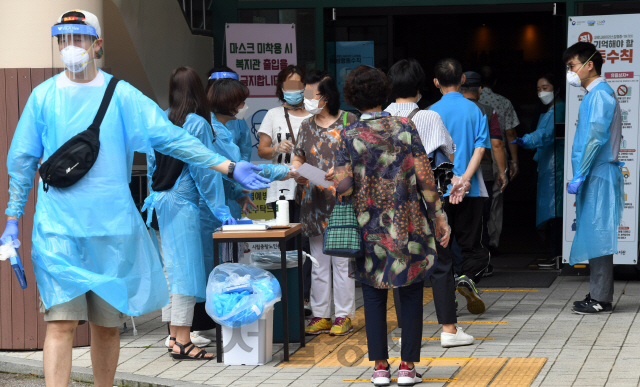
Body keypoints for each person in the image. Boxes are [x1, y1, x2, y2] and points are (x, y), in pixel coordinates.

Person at [0, 10, 268, 386]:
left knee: (107, 328)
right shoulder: (43, 97)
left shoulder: (122, 96)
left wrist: (225, 166)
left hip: (113, 233)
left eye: (79, 38)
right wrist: (12, 218)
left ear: (97, 44)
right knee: (60, 326)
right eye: (64, 39)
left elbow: (172, 138)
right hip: (60, 232)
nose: (71, 47)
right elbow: (22, 160)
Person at [335, 65, 452, 387]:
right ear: (384, 92)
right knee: (411, 292)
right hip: (407, 224)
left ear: (353, 98)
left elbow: (343, 186)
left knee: (373, 296)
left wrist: (337, 177)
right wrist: (438, 215)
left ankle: (380, 368)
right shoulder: (404, 127)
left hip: (367, 225)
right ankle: (407, 368)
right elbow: (425, 176)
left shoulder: (348, 134)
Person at [187, 78, 291, 339]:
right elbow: (230, 170)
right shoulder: (212, 129)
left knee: (213, 264)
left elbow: (230, 173)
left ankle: (207, 322)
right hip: (204, 209)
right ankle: (196, 326)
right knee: (202, 266)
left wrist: (237, 193)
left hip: (215, 206)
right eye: (241, 101)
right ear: (230, 103)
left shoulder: (220, 127)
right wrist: (287, 171)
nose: (244, 106)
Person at [144, 67, 236, 360]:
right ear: (199, 90)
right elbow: (204, 171)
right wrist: (223, 212)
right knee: (184, 272)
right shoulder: (197, 123)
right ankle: (184, 342)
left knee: (171, 272)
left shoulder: (159, 116)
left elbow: (150, 166)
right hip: (183, 204)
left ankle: (173, 336)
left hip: (158, 201)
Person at [386, 59, 473, 348]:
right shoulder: (429, 117)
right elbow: (446, 159)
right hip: (426, 200)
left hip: (392, 205)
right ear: (421, 86)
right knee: (440, 262)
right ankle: (448, 329)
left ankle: (406, 333)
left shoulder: (379, 119)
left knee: (402, 263)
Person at [290, 70, 357, 336]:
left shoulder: (350, 121)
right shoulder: (305, 126)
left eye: (311, 94)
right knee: (318, 261)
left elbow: (361, 160)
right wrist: (300, 174)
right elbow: (298, 157)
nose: (307, 99)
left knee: (342, 261)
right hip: (313, 201)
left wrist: (341, 172)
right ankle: (320, 315)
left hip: (341, 202)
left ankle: (343, 315)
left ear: (326, 97)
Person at [563, 42, 623, 314]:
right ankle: (599, 293)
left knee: (598, 233)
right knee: (595, 232)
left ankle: (601, 298)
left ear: (589, 64)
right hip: (594, 173)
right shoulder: (594, 94)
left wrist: (582, 173)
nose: (571, 72)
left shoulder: (599, 96)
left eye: (572, 66)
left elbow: (595, 139)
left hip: (597, 173)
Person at [429, 59, 491, 315]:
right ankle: (467, 278)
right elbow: (480, 147)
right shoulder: (475, 110)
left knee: (442, 248)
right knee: (473, 246)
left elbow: (428, 156)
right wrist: (464, 179)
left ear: (436, 83)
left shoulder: (429, 113)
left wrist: (450, 179)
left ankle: (447, 298)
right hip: (471, 190)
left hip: (439, 192)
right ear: (463, 79)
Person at [512, 74, 566, 269]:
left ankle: (558, 254)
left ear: (557, 88)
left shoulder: (559, 111)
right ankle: (555, 253)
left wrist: (527, 140)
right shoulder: (550, 111)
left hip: (556, 166)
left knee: (556, 211)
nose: (541, 92)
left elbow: (546, 134)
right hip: (548, 165)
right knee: (552, 209)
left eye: (545, 87)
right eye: (538, 89)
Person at [460, 71, 508, 277]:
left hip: (451, 174)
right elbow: (496, 143)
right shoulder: (488, 111)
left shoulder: (446, 109)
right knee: (481, 219)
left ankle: (457, 264)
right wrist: (502, 172)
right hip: (484, 173)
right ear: (480, 89)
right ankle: (482, 264)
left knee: (457, 221)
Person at [257, 65, 312, 221]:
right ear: (281, 88)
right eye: (289, 86)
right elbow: (262, 151)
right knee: (286, 237)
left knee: (308, 238)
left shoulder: (314, 115)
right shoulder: (273, 115)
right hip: (282, 186)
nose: (293, 90)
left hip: (310, 184)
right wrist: (276, 149)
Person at [478, 66, 520, 254]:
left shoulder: (472, 102)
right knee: (495, 199)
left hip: (474, 156)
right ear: (495, 82)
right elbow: (510, 132)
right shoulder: (503, 102)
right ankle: (492, 241)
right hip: (497, 157)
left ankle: (477, 239)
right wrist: (514, 160)